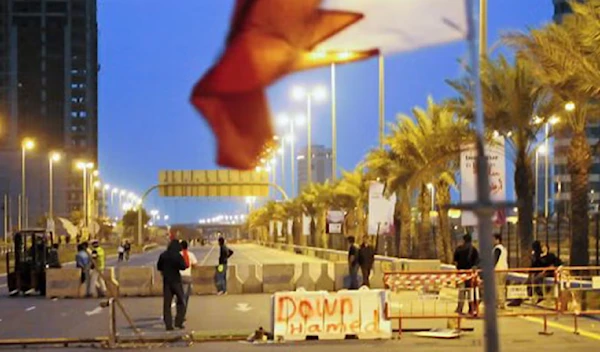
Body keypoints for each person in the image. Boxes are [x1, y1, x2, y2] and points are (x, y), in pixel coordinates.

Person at [157, 239, 187, 331]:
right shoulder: (178, 256)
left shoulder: (163, 255)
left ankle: (168, 325)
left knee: (167, 304)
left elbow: (159, 267)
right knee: (181, 302)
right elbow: (183, 266)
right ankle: (178, 322)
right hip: (176, 281)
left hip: (167, 282)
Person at [453, 234, 479, 315]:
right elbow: (477, 261)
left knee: (461, 291)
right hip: (470, 273)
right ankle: (471, 308)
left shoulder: (459, 249)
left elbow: (455, 260)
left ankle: (460, 308)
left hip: (461, 273)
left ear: (463, 240)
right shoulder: (474, 249)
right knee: (470, 291)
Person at [493, 234, 508, 309]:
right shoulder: (503, 248)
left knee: (498, 286)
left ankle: (499, 303)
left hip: (498, 269)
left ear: (497, 240)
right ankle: (502, 302)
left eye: (493, 239)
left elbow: (494, 260)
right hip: (504, 268)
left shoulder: (497, 248)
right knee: (502, 286)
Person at [180, 240, 198, 306]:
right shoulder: (190, 254)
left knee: (179, 294)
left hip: (179, 276)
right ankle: (183, 308)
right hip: (187, 276)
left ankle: (179, 307)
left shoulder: (178, 254)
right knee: (186, 295)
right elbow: (195, 264)